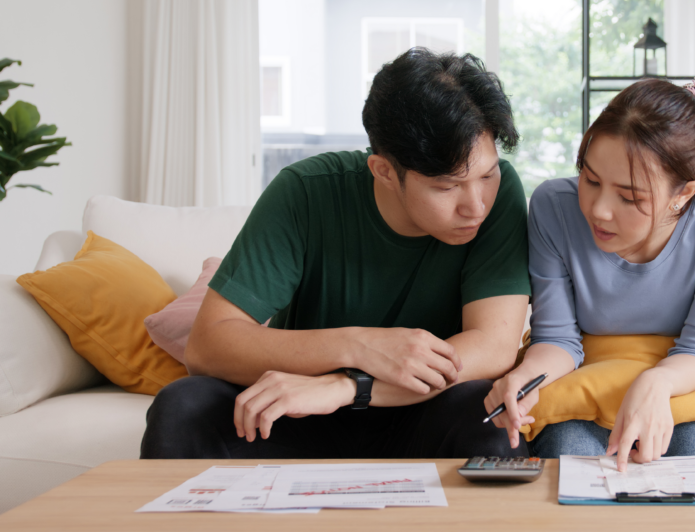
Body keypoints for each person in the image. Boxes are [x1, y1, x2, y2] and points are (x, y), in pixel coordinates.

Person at [141, 48, 532, 460]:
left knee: (487, 418)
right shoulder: (306, 192)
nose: (476, 205)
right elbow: (208, 346)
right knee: (183, 406)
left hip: (417, 410)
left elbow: (492, 347)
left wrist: (350, 386)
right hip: (298, 411)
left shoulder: (501, 194)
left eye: (486, 175)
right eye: (447, 186)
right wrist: (358, 346)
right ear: (383, 171)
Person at [484, 77, 695, 470]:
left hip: (688, 372)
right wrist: (524, 378)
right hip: (588, 372)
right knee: (568, 451)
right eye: (590, 179)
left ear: (684, 194)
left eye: (629, 197)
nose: (598, 210)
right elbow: (559, 339)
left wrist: (656, 383)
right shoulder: (554, 207)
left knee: (694, 453)